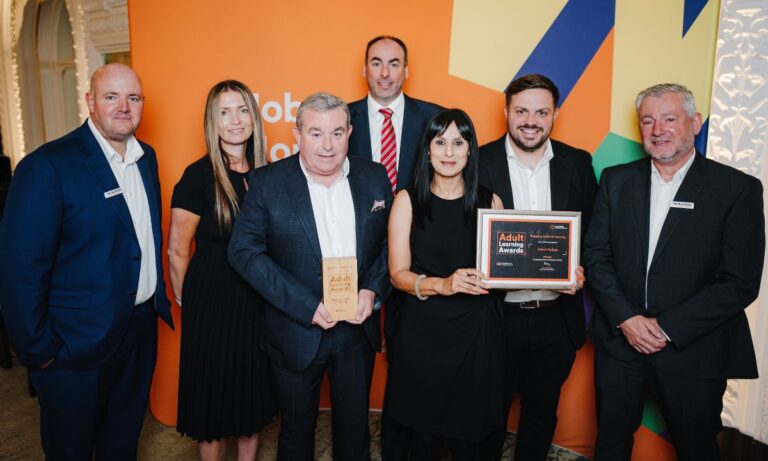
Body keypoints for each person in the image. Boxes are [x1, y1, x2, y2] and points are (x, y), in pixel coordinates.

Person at [0, 63, 173, 459]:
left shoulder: (147, 158)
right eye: (111, 97)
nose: (123, 107)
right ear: (91, 102)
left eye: (133, 97)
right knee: (71, 451)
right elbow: (20, 268)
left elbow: (138, 240)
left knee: (122, 443)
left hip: (138, 333)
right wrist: (39, 349)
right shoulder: (48, 166)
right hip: (72, 348)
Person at [583, 83, 765, 461]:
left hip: (694, 349)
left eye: (669, 118)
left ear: (695, 123)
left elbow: (739, 283)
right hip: (621, 344)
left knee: (697, 449)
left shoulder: (737, 189)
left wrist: (667, 329)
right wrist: (627, 319)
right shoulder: (616, 181)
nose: (657, 129)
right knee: (610, 446)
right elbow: (596, 255)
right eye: (647, 121)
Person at [228, 92, 392, 461]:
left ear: (350, 131)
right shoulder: (267, 182)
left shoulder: (375, 176)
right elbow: (243, 252)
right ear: (297, 133)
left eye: (337, 132)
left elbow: (390, 244)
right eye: (316, 133)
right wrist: (305, 305)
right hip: (295, 331)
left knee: (355, 434)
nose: (328, 145)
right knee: (296, 435)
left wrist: (373, 288)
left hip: (356, 330)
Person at [479, 73, 595, 460]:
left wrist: (580, 270)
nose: (531, 120)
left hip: (554, 317)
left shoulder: (578, 164)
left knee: (542, 413)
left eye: (541, 112)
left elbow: (593, 235)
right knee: (485, 413)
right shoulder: (477, 161)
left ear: (555, 114)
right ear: (506, 111)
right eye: (522, 111)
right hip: (494, 315)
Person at [386, 108, 505, 459]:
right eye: (440, 143)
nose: (449, 153)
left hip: (475, 334)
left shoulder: (490, 202)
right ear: (427, 149)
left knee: (470, 438)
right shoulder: (407, 201)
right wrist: (443, 284)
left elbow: (505, 267)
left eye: (458, 142)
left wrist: (555, 273)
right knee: (422, 439)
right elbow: (397, 274)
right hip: (423, 334)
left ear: (471, 150)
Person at [168, 80, 276, 460]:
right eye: (224, 112)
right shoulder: (197, 176)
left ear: (253, 118)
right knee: (213, 401)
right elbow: (177, 250)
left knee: (251, 395)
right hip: (212, 301)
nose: (235, 120)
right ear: (212, 122)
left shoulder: (268, 175)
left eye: (242, 110)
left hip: (257, 300)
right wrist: (190, 304)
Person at [347, 34, 443, 459]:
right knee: (356, 365)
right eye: (376, 63)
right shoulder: (341, 117)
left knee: (412, 364)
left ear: (407, 70)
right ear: (364, 69)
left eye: (394, 63)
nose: (384, 72)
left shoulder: (436, 119)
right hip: (356, 263)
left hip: (416, 263)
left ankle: (407, 445)